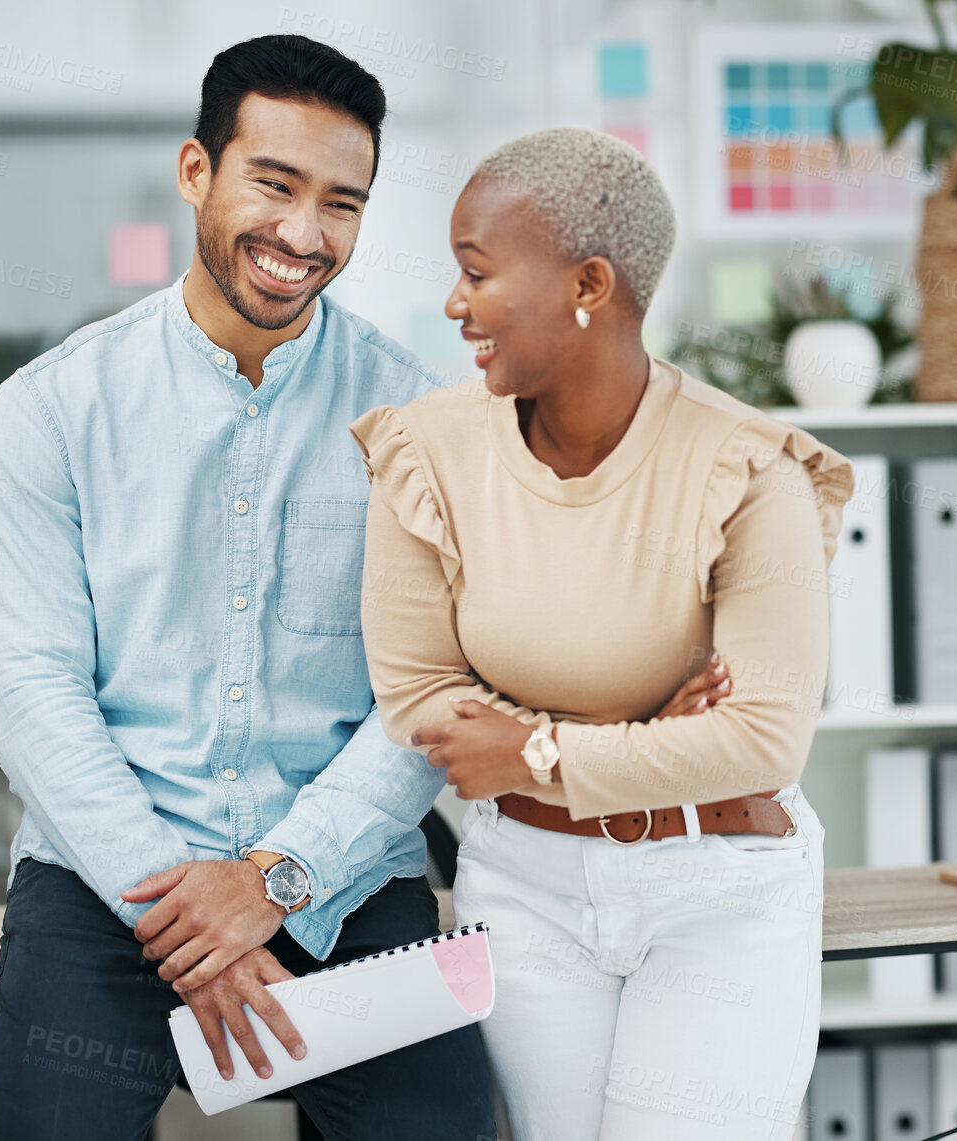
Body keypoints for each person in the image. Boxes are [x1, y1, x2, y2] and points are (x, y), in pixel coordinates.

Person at [0, 35, 499, 1139]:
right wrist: (186, 909)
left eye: (340, 204)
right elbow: (32, 693)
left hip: (344, 875)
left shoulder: (420, 425)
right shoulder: (51, 409)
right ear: (196, 172)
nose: (304, 235)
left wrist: (281, 875)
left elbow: (429, 692)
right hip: (107, 881)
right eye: (273, 183)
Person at [350, 127, 853, 1140]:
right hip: (526, 885)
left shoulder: (750, 470)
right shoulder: (425, 450)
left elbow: (760, 742)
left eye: (478, 272)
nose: (456, 303)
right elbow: (422, 702)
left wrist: (538, 746)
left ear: (588, 283)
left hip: (722, 889)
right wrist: (650, 741)